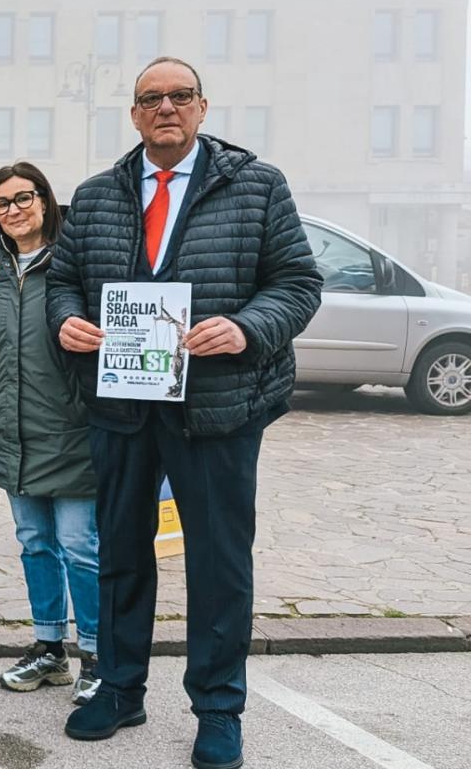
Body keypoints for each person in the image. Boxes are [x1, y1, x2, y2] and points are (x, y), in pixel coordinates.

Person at [49, 57, 321, 769]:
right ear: (135, 116)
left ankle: (219, 707)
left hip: (218, 408)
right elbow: (64, 282)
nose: (165, 107)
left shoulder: (257, 186)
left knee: (218, 562)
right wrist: (67, 321)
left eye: (179, 96)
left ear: (201, 108)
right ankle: (120, 687)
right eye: (150, 99)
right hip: (122, 408)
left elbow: (297, 283)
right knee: (122, 555)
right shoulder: (98, 194)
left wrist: (247, 327)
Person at [0, 161, 100, 703]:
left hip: (69, 431)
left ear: (45, 200)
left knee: (80, 547)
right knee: (34, 545)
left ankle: (98, 655)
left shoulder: (75, 262)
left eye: (23, 198)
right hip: (11, 431)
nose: (14, 211)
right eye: (2, 204)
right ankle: (49, 648)